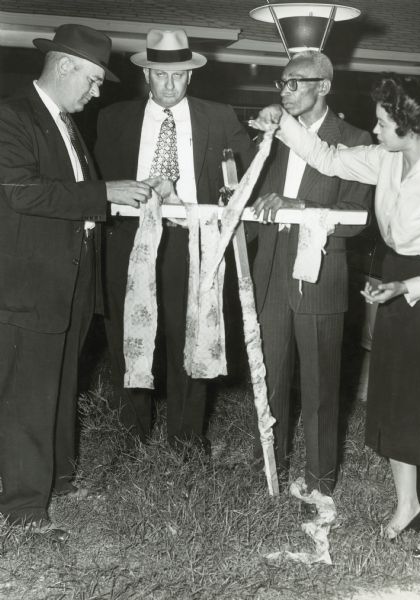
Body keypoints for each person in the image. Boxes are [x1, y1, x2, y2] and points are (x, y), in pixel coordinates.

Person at [252, 74, 420, 556]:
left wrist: (408, 287)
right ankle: (406, 507)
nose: (373, 131)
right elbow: (329, 158)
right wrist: (284, 121)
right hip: (395, 279)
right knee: (392, 398)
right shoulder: (390, 159)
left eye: (381, 123)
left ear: (408, 127)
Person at [0, 24, 158, 540]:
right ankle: (23, 509)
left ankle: (59, 481)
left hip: (69, 287)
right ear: (64, 65)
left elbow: (74, 198)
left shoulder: (64, 124)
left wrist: (118, 196)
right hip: (31, 288)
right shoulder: (13, 116)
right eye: (91, 80)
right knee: (29, 398)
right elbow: (23, 192)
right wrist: (102, 192)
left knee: (62, 388)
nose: (95, 93)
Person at [94, 29, 254, 451]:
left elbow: (245, 181)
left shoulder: (219, 117)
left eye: (178, 76)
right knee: (128, 336)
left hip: (191, 243)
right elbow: (97, 183)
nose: (168, 85)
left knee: (190, 337)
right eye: (160, 75)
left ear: (190, 77)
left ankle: (185, 439)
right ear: (146, 74)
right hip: (128, 244)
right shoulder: (113, 119)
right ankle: (131, 437)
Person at [249, 50, 373, 505]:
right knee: (271, 376)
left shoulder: (355, 140)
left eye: (295, 83)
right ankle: (271, 470)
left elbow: (358, 218)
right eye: (281, 83)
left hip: (321, 270)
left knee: (320, 383)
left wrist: (303, 208)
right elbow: (250, 188)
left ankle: (320, 482)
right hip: (272, 265)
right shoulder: (273, 134)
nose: (285, 92)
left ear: (324, 86)